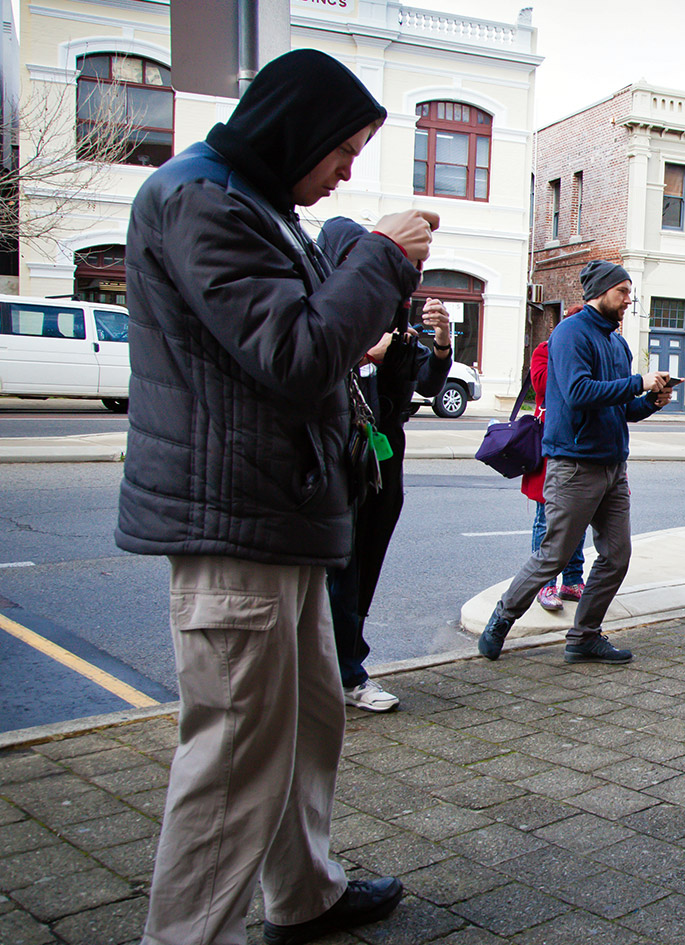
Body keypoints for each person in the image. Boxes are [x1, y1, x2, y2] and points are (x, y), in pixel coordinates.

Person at [116, 49, 437, 945]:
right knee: (233, 756)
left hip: (278, 513)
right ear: (296, 129)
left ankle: (303, 894)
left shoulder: (250, 202)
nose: (345, 171)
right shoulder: (202, 201)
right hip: (238, 522)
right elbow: (296, 356)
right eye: (342, 149)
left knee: (305, 723)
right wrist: (380, 257)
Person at [478, 261, 671, 664]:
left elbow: (623, 409)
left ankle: (584, 636)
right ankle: (502, 617)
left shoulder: (617, 344)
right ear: (600, 292)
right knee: (555, 555)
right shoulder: (569, 334)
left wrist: (651, 401)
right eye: (622, 291)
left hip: (613, 467)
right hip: (574, 465)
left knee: (617, 556)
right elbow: (579, 392)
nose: (628, 299)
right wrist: (639, 382)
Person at [319, 217, 453, 713]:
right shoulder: (328, 308)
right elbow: (308, 368)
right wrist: (361, 354)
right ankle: (346, 672)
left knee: (365, 566)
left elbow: (427, 385)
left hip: (384, 454)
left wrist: (440, 342)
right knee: (342, 569)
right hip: (340, 456)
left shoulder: (390, 314)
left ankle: (344, 662)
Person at [523, 305, 589, 614]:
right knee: (546, 518)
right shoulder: (544, 351)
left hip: (583, 445)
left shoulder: (594, 352)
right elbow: (544, 388)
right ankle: (544, 582)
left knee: (579, 518)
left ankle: (572, 580)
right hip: (551, 446)